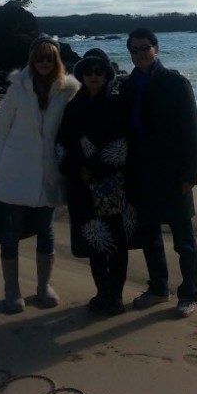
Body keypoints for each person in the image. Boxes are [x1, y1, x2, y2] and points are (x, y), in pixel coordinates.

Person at [0, 34, 79, 313]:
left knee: (46, 229)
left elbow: (76, 126)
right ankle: (12, 289)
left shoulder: (67, 90)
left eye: (49, 58)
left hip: (48, 168)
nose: (44, 62)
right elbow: (2, 127)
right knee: (11, 229)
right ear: (31, 60)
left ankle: (44, 286)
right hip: (16, 167)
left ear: (56, 60)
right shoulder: (17, 88)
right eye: (39, 58)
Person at [119, 28, 197, 318]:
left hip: (173, 174)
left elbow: (191, 132)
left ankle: (189, 294)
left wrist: (190, 176)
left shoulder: (176, 83)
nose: (139, 54)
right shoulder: (128, 86)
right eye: (134, 50)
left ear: (156, 48)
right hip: (140, 173)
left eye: (144, 48)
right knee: (149, 237)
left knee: (184, 240)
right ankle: (158, 288)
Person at [56, 49, 137, 316]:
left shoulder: (117, 104)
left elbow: (123, 142)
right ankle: (102, 292)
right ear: (81, 75)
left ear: (107, 75)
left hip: (113, 185)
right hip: (81, 185)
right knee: (95, 241)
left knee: (118, 242)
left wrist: (96, 170)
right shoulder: (72, 107)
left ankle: (116, 296)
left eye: (99, 71)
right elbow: (62, 143)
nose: (93, 76)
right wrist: (76, 169)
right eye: (88, 72)